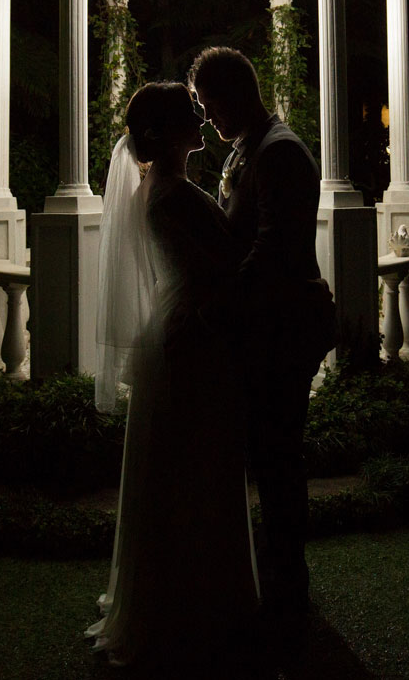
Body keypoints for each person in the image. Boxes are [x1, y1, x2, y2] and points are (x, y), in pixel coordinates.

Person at [85, 81, 259, 669]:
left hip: (182, 331)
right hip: (191, 341)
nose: (203, 121)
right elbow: (230, 263)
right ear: (165, 131)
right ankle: (195, 610)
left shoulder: (162, 188)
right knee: (195, 471)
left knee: (182, 471)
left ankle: (182, 603)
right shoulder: (173, 195)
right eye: (192, 114)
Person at [188, 46, 327, 634]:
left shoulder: (281, 152)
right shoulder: (251, 146)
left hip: (285, 328)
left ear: (237, 93)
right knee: (267, 456)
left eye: (209, 102)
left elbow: (277, 248)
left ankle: (290, 587)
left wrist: (218, 302)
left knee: (278, 457)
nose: (206, 116)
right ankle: (276, 576)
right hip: (264, 327)